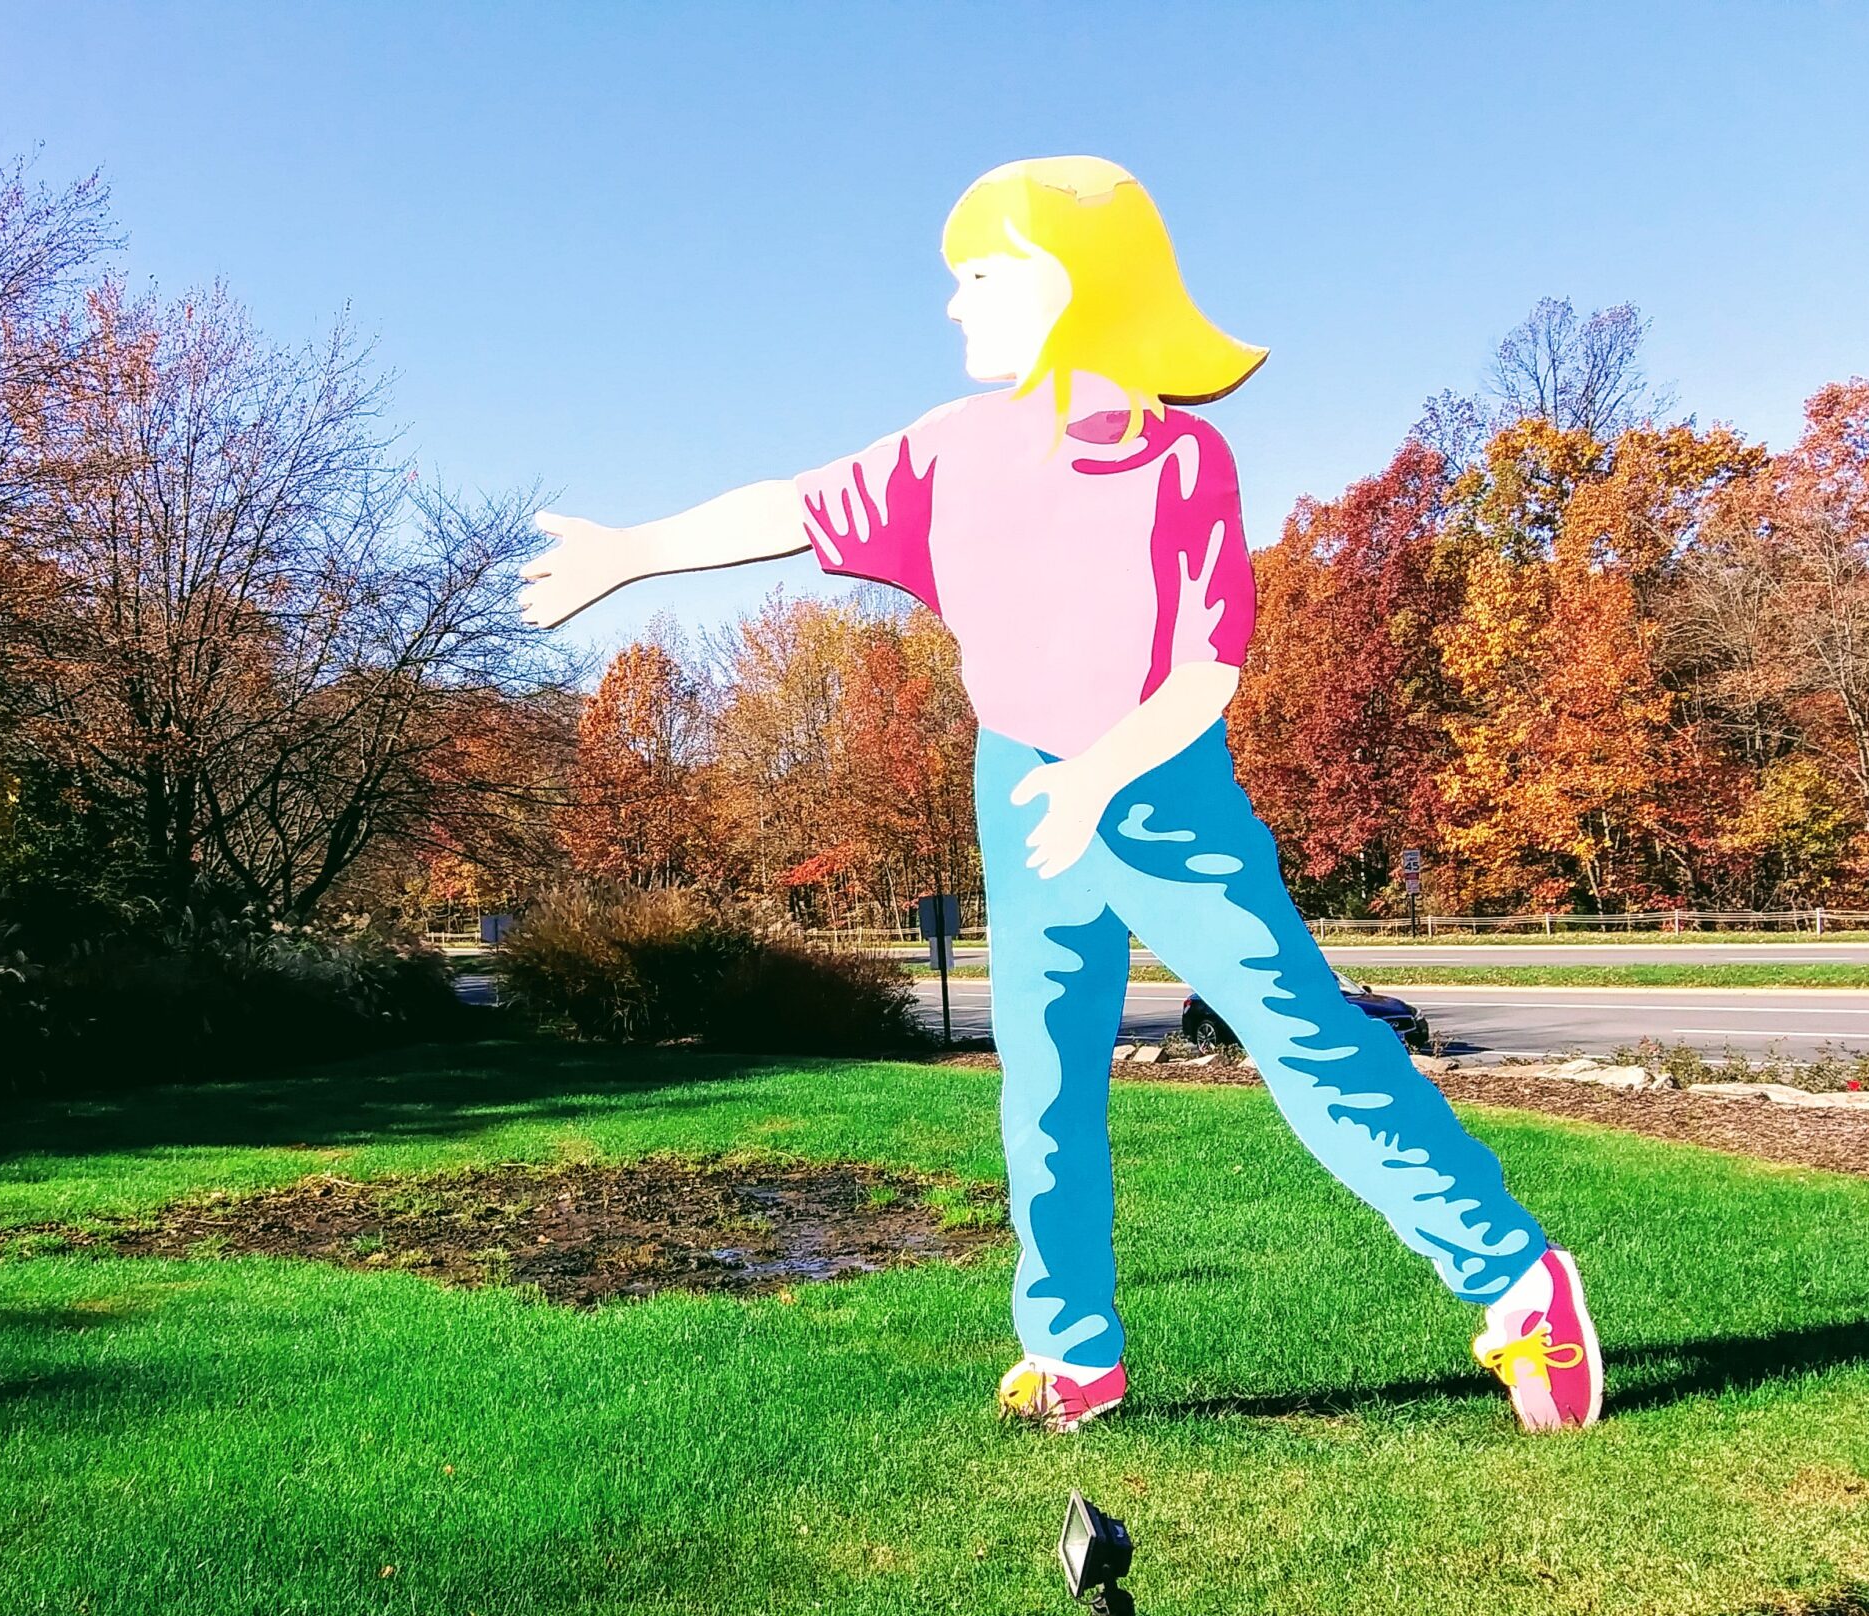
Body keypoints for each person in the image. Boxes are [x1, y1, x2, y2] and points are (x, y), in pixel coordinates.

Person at [517, 156, 1601, 1435]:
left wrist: (1099, 776)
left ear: (1071, 283)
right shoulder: (949, 450)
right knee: (1041, 1078)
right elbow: (786, 504)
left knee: (1306, 1042)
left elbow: (1208, 668)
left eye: (980, 276)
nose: (955, 304)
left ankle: (1522, 1286)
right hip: (1017, 779)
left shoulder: (1178, 458)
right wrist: (635, 552)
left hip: (1159, 789)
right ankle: (1071, 1354)